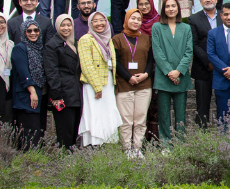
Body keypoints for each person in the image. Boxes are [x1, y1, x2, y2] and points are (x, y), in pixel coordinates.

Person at [77, 12, 123, 146]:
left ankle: (108, 144)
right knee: (95, 113)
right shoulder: (86, 39)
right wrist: (97, 87)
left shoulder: (109, 39)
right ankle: (94, 144)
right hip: (93, 84)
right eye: (95, 21)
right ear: (90, 24)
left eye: (102, 20)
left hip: (108, 82)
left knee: (108, 112)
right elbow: (86, 65)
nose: (99, 24)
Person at [152, 0, 194, 141]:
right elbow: (157, 52)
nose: (170, 9)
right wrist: (170, 72)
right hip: (164, 77)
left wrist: (178, 72)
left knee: (180, 113)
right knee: (163, 113)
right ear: (163, 9)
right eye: (167, 6)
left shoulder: (186, 27)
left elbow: (189, 52)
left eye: (173, 6)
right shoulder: (157, 27)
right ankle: (165, 142)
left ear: (178, 8)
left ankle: (180, 141)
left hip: (180, 76)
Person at [113, 9, 154, 156]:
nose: (136, 21)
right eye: (133, 18)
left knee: (140, 119)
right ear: (126, 20)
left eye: (138, 19)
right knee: (126, 121)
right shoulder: (117, 39)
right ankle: (127, 149)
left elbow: (150, 60)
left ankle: (137, 148)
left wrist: (145, 74)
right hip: (124, 85)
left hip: (144, 85)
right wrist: (128, 77)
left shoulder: (146, 39)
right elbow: (115, 62)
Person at [44, 14, 83, 149]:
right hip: (63, 94)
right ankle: (64, 160)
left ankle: (70, 159)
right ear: (57, 26)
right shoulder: (52, 45)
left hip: (77, 92)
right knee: (64, 131)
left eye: (69, 25)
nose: (66, 28)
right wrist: (56, 96)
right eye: (63, 25)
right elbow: (52, 72)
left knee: (74, 130)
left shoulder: (76, 42)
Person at [11, 19, 46, 150]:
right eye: (29, 30)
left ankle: (35, 160)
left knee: (37, 130)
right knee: (30, 131)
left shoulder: (38, 48)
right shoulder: (19, 48)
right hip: (26, 96)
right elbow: (22, 72)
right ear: (23, 32)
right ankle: (29, 161)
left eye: (36, 30)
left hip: (38, 94)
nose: (33, 33)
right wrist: (32, 92)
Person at [188, 0, 219, 127]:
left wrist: (219, 63)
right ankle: (202, 137)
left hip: (222, 68)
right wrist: (208, 62)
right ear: (200, 1)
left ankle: (225, 134)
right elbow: (193, 44)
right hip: (202, 68)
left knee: (224, 104)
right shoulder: (193, 19)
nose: (208, 0)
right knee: (202, 106)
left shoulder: (225, 16)